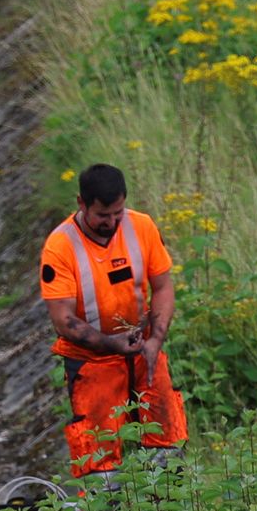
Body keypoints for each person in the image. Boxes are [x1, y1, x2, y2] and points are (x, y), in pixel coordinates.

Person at [40, 163, 187, 477]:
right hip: (92, 363)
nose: (112, 222)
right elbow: (63, 320)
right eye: (102, 215)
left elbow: (163, 288)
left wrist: (154, 341)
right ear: (81, 203)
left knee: (169, 450)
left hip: (145, 353)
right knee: (99, 465)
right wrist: (111, 344)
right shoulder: (60, 245)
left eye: (117, 213)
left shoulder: (142, 226)